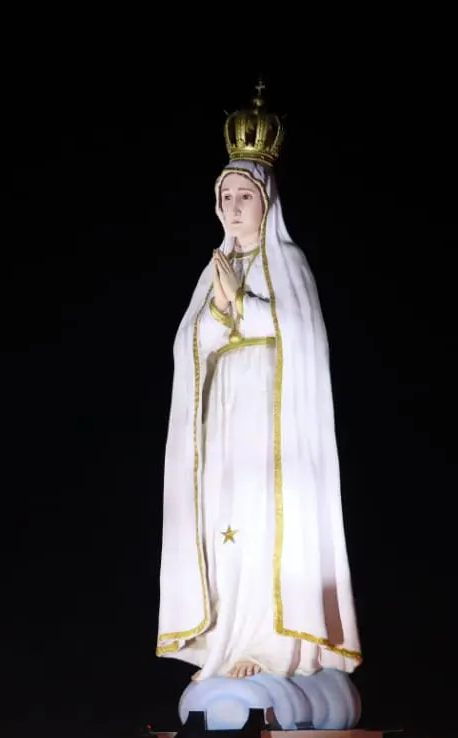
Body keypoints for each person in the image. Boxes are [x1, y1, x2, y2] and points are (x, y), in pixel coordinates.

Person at [156, 88, 361, 690]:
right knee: (225, 522)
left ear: (267, 201)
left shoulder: (289, 261)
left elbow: (302, 336)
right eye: (226, 197)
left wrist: (239, 305)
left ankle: (269, 644)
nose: (234, 206)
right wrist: (220, 311)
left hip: (273, 422)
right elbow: (186, 345)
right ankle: (226, 639)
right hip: (224, 419)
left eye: (245, 195)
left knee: (266, 521)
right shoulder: (213, 267)